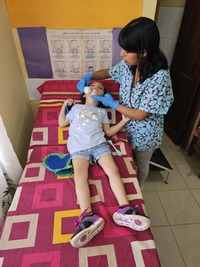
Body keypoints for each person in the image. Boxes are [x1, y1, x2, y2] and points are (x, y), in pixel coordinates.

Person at [76, 17, 174, 189]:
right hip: (125, 127)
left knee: (141, 165)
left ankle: (139, 188)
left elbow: (141, 114)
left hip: (145, 134)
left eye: (127, 50)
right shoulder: (130, 65)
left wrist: (113, 104)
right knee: (127, 162)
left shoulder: (159, 78)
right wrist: (89, 76)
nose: (122, 53)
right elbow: (109, 71)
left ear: (143, 52)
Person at [58, 81, 150, 248]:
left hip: (100, 145)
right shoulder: (77, 108)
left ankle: (125, 209)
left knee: (113, 171)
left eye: (100, 88)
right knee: (80, 177)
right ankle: (87, 217)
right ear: (84, 92)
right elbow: (62, 123)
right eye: (92, 86)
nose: (96, 88)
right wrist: (65, 104)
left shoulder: (102, 112)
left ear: (102, 97)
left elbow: (108, 132)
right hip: (79, 149)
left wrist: (123, 121)